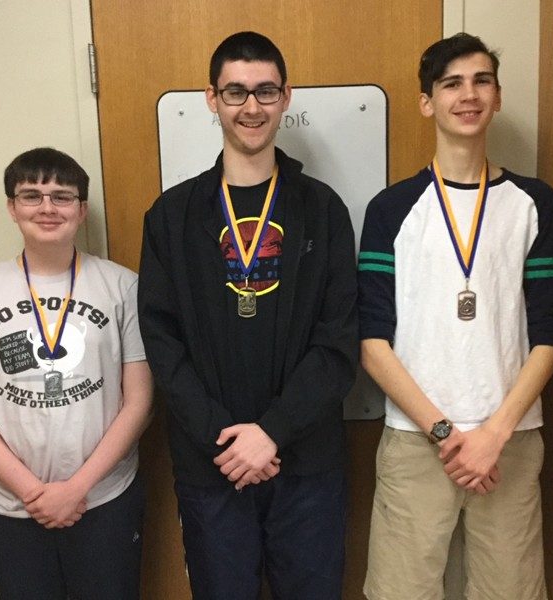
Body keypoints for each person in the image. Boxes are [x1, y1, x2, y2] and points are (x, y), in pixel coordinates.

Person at [138, 31, 358, 600]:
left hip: (306, 459)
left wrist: (272, 433)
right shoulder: (172, 215)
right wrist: (227, 438)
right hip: (212, 461)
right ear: (211, 98)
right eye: (236, 92)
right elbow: (162, 344)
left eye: (265, 91)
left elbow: (338, 343)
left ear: (287, 98)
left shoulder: (323, 210)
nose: (251, 107)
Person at [358, 33, 553, 600]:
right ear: (427, 102)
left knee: (511, 592)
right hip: (417, 440)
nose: (468, 94)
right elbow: (372, 342)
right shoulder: (391, 209)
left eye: (482, 81)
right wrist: (448, 433)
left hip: (511, 440)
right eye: (451, 83)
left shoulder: (534, 203)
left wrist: (493, 434)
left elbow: (550, 332)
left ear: (498, 98)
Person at [0, 147, 153, 599]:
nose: (47, 207)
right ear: (11, 208)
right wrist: (36, 493)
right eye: (31, 195)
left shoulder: (122, 286)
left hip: (104, 500)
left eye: (61, 196)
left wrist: (76, 488)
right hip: (11, 509)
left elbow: (138, 403)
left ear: (81, 208)